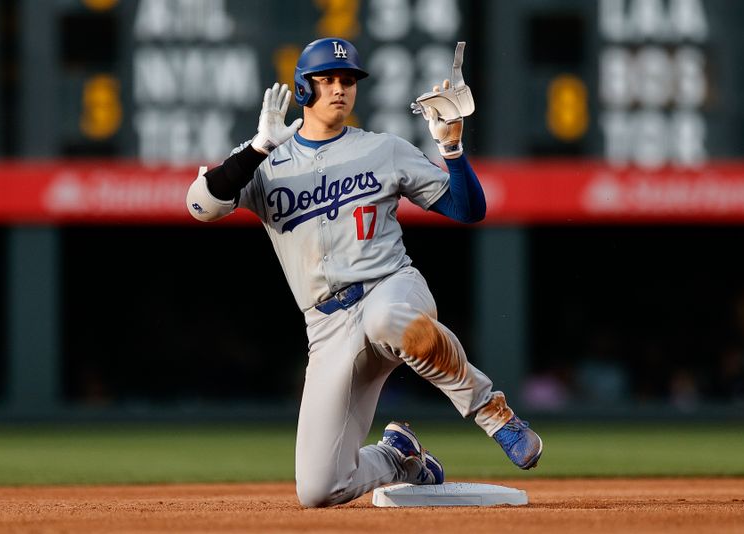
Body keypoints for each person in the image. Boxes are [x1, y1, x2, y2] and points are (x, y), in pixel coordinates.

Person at [186, 37, 542, 508]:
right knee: (318, 489)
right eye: (327, 79)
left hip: (390, 288)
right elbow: (200, 206)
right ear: (303, 88)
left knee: (386, 321)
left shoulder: (383, 150)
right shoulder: (265, 159)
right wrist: (257, 148)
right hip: (326, 326)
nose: (339, 88)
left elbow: (467, 209)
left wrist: (452, 151)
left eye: (348, 80)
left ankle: (493, 414)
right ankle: (400, 456)